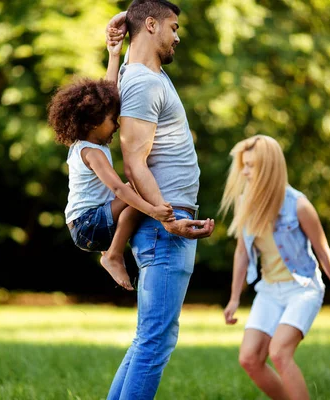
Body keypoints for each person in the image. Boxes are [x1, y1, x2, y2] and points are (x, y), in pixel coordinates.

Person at [104, 1, 215, 399]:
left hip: (165, 222)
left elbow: (118, 78)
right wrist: (167, 219)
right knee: (155, 344)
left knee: (147, 341)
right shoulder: (144, 83)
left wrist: (118, 36)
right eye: (173, 26)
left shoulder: (147, 75)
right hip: (164, 226)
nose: (177, 35)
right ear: (152, 25)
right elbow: (134, 163)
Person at [219, 134, 330, 400]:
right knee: (249, 358)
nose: (245, 171)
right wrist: (234, 298)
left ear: (269, 167)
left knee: (280, 352)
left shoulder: (299, 205)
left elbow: (323, 251)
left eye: (252, 165)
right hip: (270, 290)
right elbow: (242, 253)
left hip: (302, 288)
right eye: (244, 164)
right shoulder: (244, 202)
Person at [47, 26, 176, 291]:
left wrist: (114, 55)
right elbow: (117, 188)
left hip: (85, 223)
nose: (117, 125)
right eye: (111, 121)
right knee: (136, 191)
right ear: (93, 124)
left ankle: (114, 253)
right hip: (87, 225)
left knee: (137, 193)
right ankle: (114, 255)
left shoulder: (86, 141)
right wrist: (153, 210)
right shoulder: (92, 153)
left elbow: (109, 91)